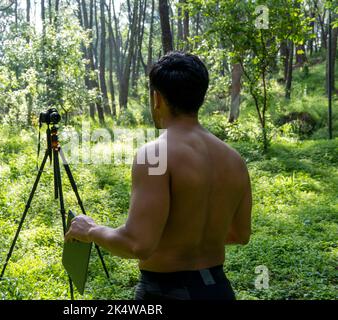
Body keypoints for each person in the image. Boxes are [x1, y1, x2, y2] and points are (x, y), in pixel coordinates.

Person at [64, 51, 252, 300]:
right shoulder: (234, 159)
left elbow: (138, 244)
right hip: (218, 290)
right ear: (200, 96)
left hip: (165, 292)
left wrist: (91, 230)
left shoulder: (155, 154)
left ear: (157, 98)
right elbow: (240, 235)